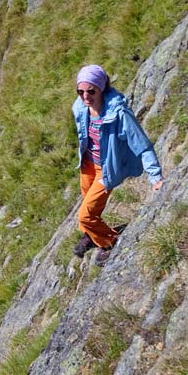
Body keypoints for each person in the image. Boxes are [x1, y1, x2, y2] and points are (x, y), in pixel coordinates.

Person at [72, 64, 164, 266]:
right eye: (80, 91)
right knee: (90, 207)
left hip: (106, 170)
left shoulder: (119, 114)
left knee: (85, 215)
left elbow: (142, 145)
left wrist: (155, 177)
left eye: (91, 91)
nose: (85, 96)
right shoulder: (81, 108)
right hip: (88, 165)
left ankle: (110, 242)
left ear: (101, 88)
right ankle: (91, 234)